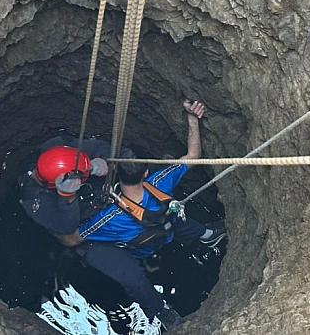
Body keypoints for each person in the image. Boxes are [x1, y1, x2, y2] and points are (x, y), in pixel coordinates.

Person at [58, 100, 226, 329]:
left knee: (131, 277)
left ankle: (163, 311)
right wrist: (192, 119)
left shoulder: (108, 218)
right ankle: (205, 236)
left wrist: (59, 210)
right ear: (146, 171)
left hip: (136, 243)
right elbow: (194, 154)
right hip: (153, 237)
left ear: (116, 174)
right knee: (171, 215)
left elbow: (72, 239)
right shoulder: (160, 180)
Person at [17, 135, 112, 243]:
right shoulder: (35, 201)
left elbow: (101, 145)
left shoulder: (56, 146)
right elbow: (66, 228)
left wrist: (101, 158)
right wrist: (67, 196)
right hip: (84, 211)